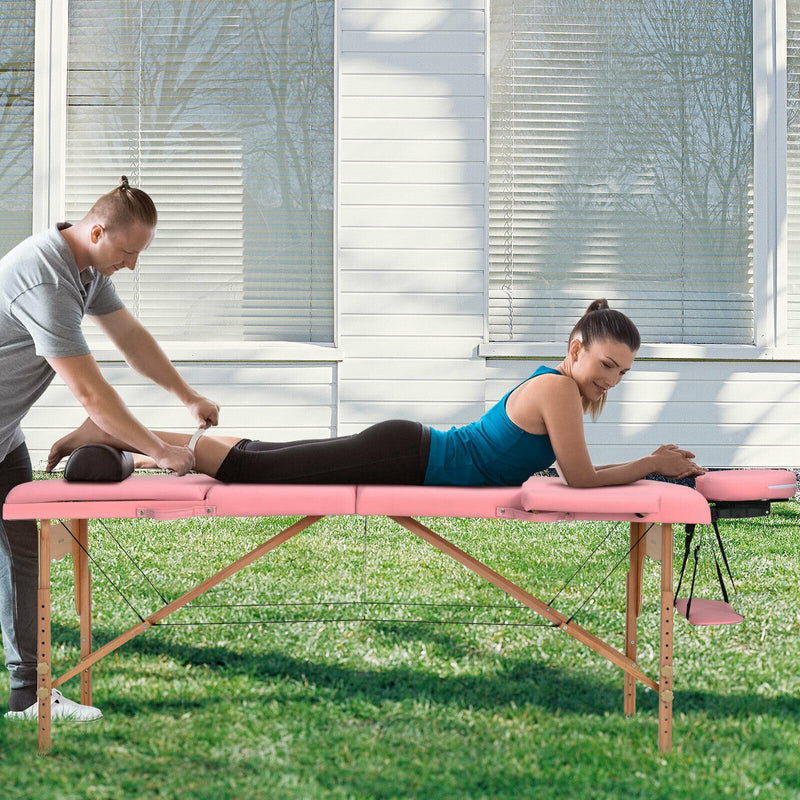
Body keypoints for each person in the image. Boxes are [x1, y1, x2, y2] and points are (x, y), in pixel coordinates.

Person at [48, 299, 705, 492]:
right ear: (576, 347)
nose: (609, 379)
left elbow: (569, 473)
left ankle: (113, 439)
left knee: (261, 455)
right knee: (254, 468)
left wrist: (653, 464)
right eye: (605, 364)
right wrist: (653, 464)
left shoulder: (555, 385)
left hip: (407, 449)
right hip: (407, 456)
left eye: (621, 372)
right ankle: (109, 433)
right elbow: (582, 478)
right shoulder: (559, 389)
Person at [1, 177, 220, 721]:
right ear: (97, 230)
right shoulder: (44, 278)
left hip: (4, 436)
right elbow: (91, 392)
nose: (132, 264)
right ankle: (29, 692)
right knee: (14, 557)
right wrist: (158, 450)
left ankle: (29, 697)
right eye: (127, 252)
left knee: (22, 556)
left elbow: (132, 339)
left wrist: (186, 395)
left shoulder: (85, 268)